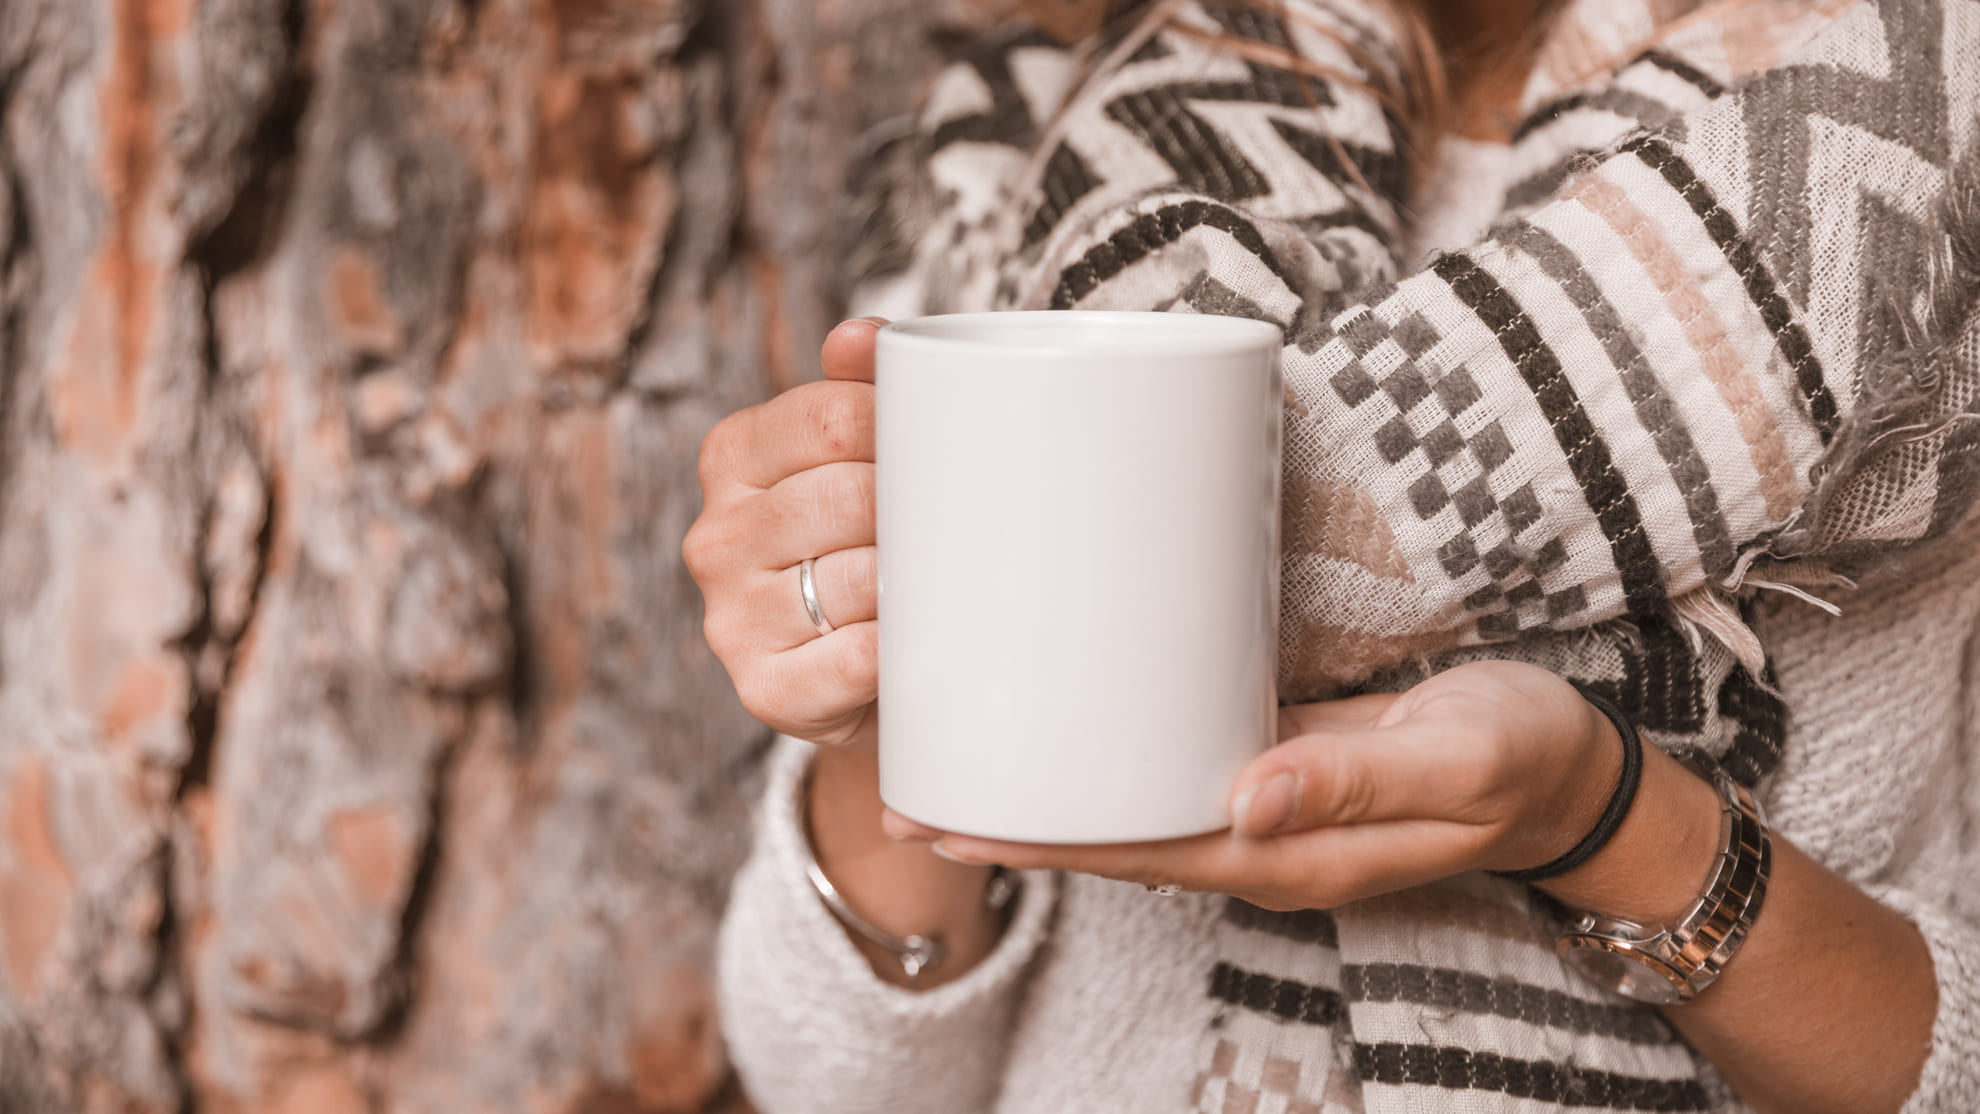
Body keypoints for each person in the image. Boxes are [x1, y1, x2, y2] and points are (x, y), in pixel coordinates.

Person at [683, 0, 1980, 1110]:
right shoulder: (1060, 138)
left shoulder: (1927, 170)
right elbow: (832, 1070)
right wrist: (882, 682)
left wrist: (1601, 819)